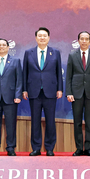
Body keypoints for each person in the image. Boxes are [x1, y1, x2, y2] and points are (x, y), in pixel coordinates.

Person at [23, 27, 63, 156]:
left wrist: (60, 89)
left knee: (50, 121)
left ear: (48, 38)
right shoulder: (28, 53)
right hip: (34, 91)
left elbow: (58, 72)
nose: (42, 38)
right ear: (36, 38)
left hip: (50, 91)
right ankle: (36, 148)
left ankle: (50, 148)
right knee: (35, 121)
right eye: (39, 36)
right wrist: (24, 89)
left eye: (44, 36)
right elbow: (25, 73)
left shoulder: (55, 53)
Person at [65, 31, 90, 156]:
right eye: (82, 39)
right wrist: (69, 92)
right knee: (78, 122)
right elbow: (68, 75)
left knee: (89, 121)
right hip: (76, 93)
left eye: (86, 39)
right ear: (78, 41)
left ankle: (88, 148)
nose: (84, 41)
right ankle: (79, 148)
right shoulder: (72, 55)